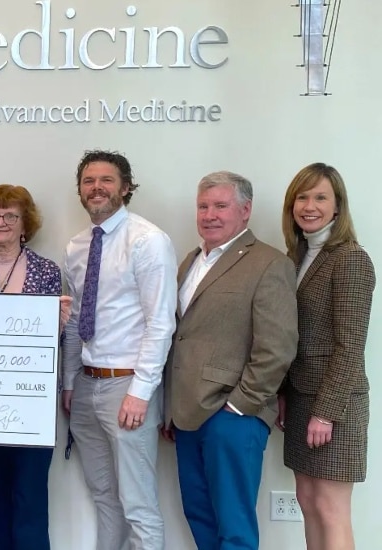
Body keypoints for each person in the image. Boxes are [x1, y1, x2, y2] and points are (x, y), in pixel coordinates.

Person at [163, 170, 298, 550]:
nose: (209, 214)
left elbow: (278, 346)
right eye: (203, 206)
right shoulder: (191, 260)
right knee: (200, 516)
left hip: (232, 416)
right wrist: (170, 407)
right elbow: (181, 335)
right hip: (186, 414)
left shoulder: (269, 264)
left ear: (246, 210)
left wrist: (239, 406)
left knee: (234, 527)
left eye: (220, 206)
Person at [61, 150, 177, 550]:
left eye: (106, 180)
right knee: (104, 498)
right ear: (80, 190)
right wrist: (68, 383)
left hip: (127, 387)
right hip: (87, 386)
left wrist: (141, 392)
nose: (97, 188)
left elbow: (161, 322)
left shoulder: (148, 240)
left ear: (125, 187)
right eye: (89, 181)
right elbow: (76, 320)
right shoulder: (77, 246)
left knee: (138, 504)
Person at [277, 163, 375, 550]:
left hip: (336, 406)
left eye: (320, 197)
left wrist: (326, 412)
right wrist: (284, 393)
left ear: (338, 207)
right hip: (302, 398)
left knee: (332, 509)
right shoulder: (297, 258)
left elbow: (350, 345)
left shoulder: (349, 259)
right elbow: (292, 335)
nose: (309, 205)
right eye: (302, 196)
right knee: (308, 500)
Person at [0, 184, 66, 550]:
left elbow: (53, 341)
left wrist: (57, 325)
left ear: (25, 223)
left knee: (29, 498)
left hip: (32, 404)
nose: (1, 221)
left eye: (10, 215)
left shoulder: (46, 271)